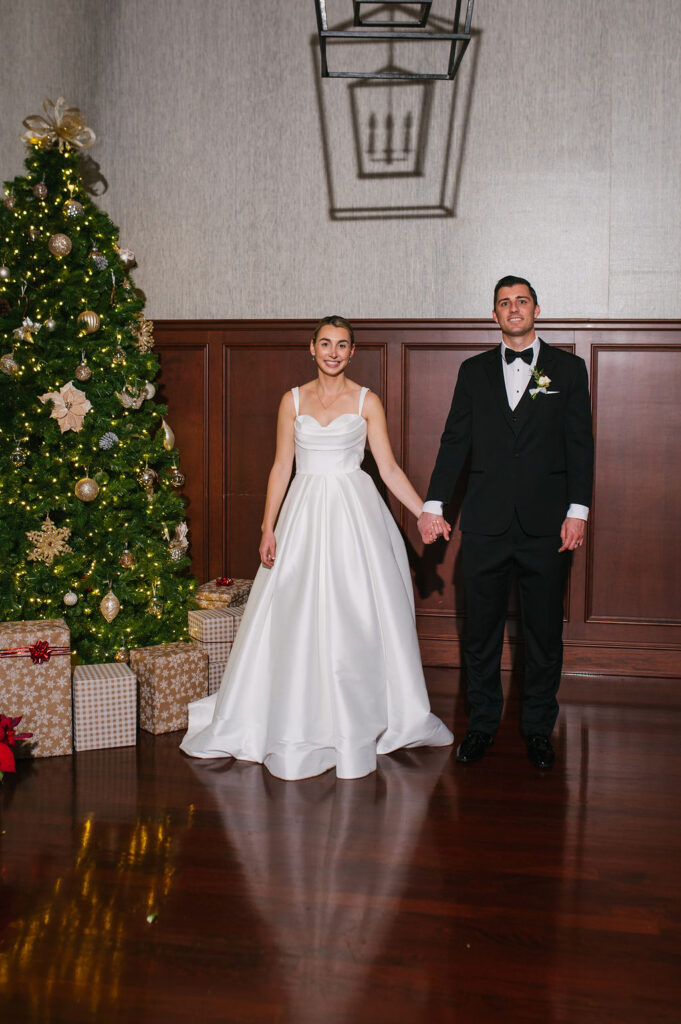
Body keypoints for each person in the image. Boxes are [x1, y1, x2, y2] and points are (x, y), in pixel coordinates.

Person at [181, 315, 453, 780]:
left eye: (342, 345)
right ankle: (295, 712)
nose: (333, 352)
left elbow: (388, 469)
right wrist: (268, 527)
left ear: (352, 352)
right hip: (303, 513)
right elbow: (281, 466)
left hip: (354, 516)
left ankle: (360, 714)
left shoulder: (367, 401)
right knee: (296, 610)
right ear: (312, 348)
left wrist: (424, 512)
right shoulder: (292, 400)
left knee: (355, 611)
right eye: (325, 343)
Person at [418, 276, 594, 769]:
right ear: (494, 315)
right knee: (481, 635)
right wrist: (434, 503)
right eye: (504, 303)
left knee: (543, 636)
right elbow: (454, 442)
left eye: (521, 301)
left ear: (536, 309)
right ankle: (481, 727)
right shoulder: (472, 371)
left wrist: (577, 511)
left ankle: (538, 731)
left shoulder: (569, 369)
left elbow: (580, 444)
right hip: (485, 525)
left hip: (548, 527)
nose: (513, 309)